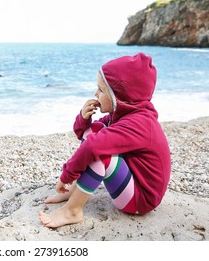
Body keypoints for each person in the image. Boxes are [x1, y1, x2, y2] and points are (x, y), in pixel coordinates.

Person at [39, 53, 171, 228]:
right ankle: (72, 192)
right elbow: (86, 134)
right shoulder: (123, 114)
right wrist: (83, 119)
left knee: (100, 154)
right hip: (132, 181)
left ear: (120, 96)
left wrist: (67, 175)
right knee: (96, 132)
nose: (95, 93)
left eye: (101, 90)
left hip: (141, 200)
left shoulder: (139, 124)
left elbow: (93, 147)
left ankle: (72, 211)